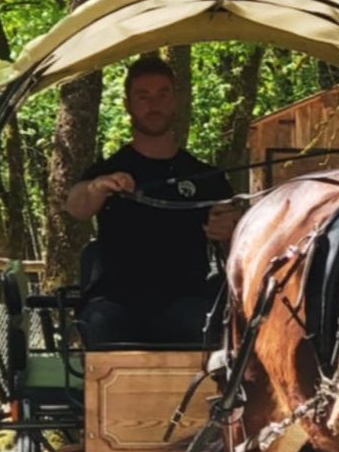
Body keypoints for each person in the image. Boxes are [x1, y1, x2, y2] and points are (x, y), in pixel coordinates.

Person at [66, 55, 239, 348]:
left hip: (186, 302)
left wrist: (231, 231)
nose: (153, 104)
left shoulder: (204, 176)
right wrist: (98, 188)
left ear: (176, 99)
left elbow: (236, 247)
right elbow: (76, 206)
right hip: (116, 303)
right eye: (143, 96)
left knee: (207, 322)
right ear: (128, 104)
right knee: (99, 324)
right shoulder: (109, 169)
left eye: (163, 93)